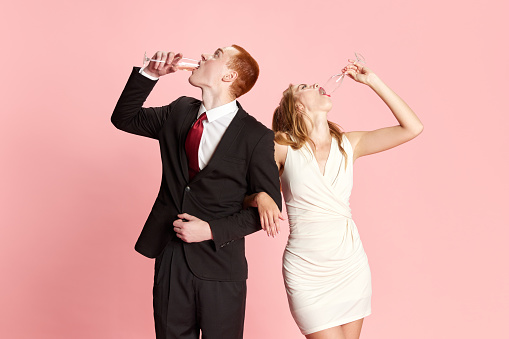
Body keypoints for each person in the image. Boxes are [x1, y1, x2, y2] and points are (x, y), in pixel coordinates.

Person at [244, 58, 423, 339]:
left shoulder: (350, 144)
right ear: (298, 106)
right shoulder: (280, 148)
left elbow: (413, 128)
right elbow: (241, 194)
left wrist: (373, 81)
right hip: (307, 270)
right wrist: (261, 196)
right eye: (304, 87)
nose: (316, 84)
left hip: (350, 264)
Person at [111, 45, 282, 339]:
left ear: (228, 76)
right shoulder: (179, 111)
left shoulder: (256, 136)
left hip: (221, 267)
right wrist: (150, 75)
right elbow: (124, 119)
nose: (203, 57)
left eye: (215, 55)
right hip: (171, 255)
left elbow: (266, 213)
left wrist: (211, 230)